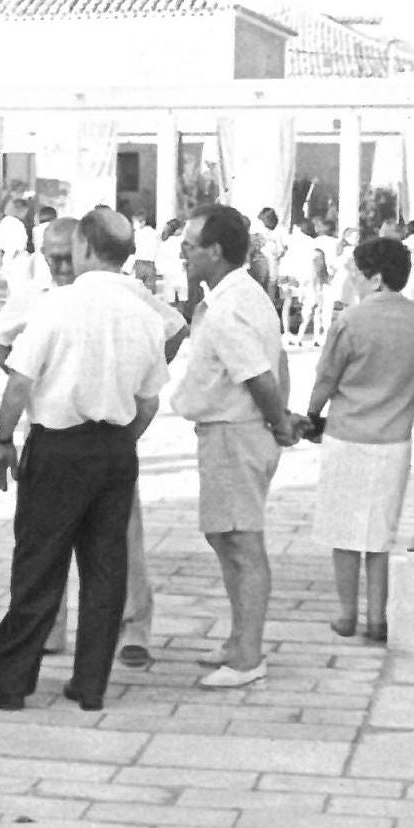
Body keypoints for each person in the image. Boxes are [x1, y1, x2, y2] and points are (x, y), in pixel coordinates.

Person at [0, 206, 168, 713]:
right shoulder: (145, 312)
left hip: (59, 447)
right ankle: (90, 684)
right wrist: (121, 439)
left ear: (87, 248)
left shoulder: (58, 306)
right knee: (105, 568)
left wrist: (4, 439)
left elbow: (20, 381)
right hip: (115, 449)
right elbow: (150, 400)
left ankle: (10, 681)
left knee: (38, 565)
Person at [173, 205, 296, 688]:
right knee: (226, 536)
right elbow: (276, 362)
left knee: (242, 541)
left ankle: (248, 654)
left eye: (190, 246)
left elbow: (259, 375)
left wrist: (279, 420)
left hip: (234, 430)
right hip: (231, 429)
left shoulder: (229, 307)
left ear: (215, 251)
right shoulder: (246, 296)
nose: (183, 255)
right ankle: (238, 638)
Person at [297, 237, 414, 645]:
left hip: (348, 433)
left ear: (374, 277)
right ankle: (378, 617)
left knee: (343, 531)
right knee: (379, 534)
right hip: (394, 436)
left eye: (356, 272)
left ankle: (346, 613)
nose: (352, 279)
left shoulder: (351, 320)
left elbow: (327, 376)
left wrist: (311, 414)